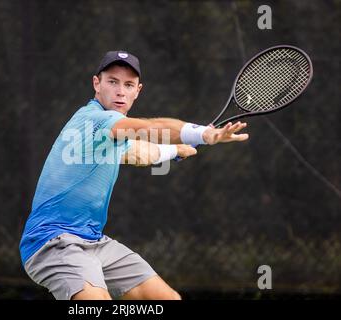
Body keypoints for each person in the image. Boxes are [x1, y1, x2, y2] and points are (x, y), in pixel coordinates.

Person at [19, 50, 249, 300]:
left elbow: (139, 153)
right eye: (112, 82)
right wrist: (202, 134)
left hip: (95, 242)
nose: (120, 91)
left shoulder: (112, 137)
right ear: (97, 84)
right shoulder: (93, 119)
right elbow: (148, 129)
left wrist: (175, 151)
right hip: (53, 241)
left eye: (128, 85)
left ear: (137, 91)